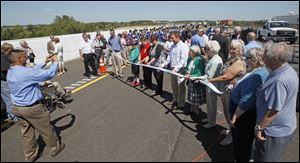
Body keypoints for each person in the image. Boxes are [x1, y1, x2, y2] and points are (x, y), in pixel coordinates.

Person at [7, 49, 65, 162]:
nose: (27, 58)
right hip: (32, 108)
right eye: (25, 57)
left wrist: (44, 62)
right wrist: (55, 62)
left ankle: (30, 156)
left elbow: (31, 71)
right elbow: (48, 74)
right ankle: (55, 148)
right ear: (19, 59)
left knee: (27, 133)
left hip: (17, 108)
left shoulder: (11, 71)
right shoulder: (25, 72)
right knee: (46, 129)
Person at [254, 42, 299, 162]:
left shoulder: (278, 80)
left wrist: (259, 128)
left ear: (274, 60)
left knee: (267, 158)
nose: (263, 58)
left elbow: (273, 110)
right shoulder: (288, 70)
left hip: (273, 131)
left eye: (266, 55)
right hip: (285, 126)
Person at [229, 48, 269, 162]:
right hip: (249, 112)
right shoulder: (260, 71)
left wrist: (235, 117)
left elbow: (247, 100)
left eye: (248, 58)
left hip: (244, 114)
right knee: (245, 141)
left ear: (255, 60)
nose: (246, 60)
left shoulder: (256, 75)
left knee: (241, 141)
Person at [209, 40, 246, 145]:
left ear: (240, 50)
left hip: (233, 93)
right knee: (226, 112)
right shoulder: (231, 59)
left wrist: (210, 80)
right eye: (231, 48)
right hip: (226, 90)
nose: (231, 50)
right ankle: (230, 130)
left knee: (230, 114)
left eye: (234, 49)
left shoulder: (238, 62)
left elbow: (226, 76)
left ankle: (231, 137)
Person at [194, 41, 223, 128]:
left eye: (207, 49)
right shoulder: (214, 58)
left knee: (211, 104)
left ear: (212, 50)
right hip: (210, 84)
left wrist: (198, 78)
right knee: (210, 103)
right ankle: (209, 118)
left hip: (212, 85)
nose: (205, 51)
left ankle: (212, 122)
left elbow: (209, 76)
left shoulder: (215, 61)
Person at [160, 31, 189, 110]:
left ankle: (181, 103)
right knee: (174, 86)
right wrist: (163, 64)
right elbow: (169, 58)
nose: (171, 39)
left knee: (181, 87)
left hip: (181, 69)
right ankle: (175, 99)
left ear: (177, 37)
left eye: (173, 38)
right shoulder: (172, 46)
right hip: (172, 69)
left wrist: (176, 68)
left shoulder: (184, 46)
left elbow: (183, 60)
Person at [185, 45, 206, 115]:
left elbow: (199, 73)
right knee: (191, 96)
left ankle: (196, 111)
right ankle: (191, 109)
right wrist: (187, 72)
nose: (189, 52)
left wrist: (191, 76)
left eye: (191, 51)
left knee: (195, 96)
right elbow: (187, 68)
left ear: (195, 52)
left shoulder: (199, 60)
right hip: (190, 80)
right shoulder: (189, 59)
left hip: (196, 81)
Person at [1, 43, 18, 123]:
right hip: (3, 82)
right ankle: (13, 117)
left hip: (4, 81)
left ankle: (11, 116)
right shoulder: (2, 58)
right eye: (10, 51)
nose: (10, 53)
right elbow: (8, 69)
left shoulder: (4, 57)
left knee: (8, 99)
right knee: (9, 99)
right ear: (5, 50)